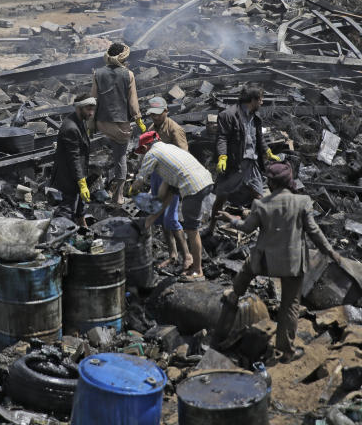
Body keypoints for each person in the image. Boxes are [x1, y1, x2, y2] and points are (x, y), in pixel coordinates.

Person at [220, 163, 341, 363]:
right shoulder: (303, 201)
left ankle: (234, 294)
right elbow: (314, 232)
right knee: (290, 306)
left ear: (270, 182)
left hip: (265, 262)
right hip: (292, 264)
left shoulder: (261, 204)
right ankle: (285, 351)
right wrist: (330, 252)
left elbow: (246, 228)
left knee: (248, 267)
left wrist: (231, 219)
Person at [129, 131, 214, 280]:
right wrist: (148, 222)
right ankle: (190, 261)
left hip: (193, 186)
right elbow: (165, 197)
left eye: (142, 150)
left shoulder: (152, 154)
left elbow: (141, 178)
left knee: (191, 229)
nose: (142, 154)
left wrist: (132, 190)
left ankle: (198, 271)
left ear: (146, 146)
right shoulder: (169, 149)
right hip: (205, 180)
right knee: (170, 200)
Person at [209, 86, 279, 233]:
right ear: (252, 100)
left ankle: (261, 229)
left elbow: (258, 137)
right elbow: (222, 138)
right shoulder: (228, 115)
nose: (262, 102)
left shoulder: (255, 116)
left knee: (259, 196)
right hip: (235, 165)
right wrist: (222, 156)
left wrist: (267, 151)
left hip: (252, 164)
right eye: (260, 99)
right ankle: (211, 228)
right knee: (221, 196)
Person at [91, 42, 143, 204]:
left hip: (102, 123)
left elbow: (93, 100)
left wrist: (90, 123)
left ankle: (90, 186)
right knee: (120, 158)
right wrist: (139, 121)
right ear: (124, 57)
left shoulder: (98, 73)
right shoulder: (128, 74)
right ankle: (118, 196)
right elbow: (133, 104)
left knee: (93, 151)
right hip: (121, 125)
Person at [146, 96, 189, 270]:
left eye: (158, 114)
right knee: (161, 218)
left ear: (166, 111)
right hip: (157, 175)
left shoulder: (174, 129)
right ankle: (173, 254)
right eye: (152, 115)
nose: (155, 118)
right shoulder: (151, 128)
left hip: (171, 177)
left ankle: (187, 256)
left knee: (171, 218)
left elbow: (184, 155)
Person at [50, 93, 96, 227]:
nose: (91, 113)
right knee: (66, 210)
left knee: (80, 205)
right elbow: (73, 158)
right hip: (68, 176)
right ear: (79, 108)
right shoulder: (70, 127)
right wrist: (82, 183)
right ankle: (58, 235)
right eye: (88, 109)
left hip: (78, 173)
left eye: (93, 109)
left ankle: (84, 229)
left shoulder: (79, 120)